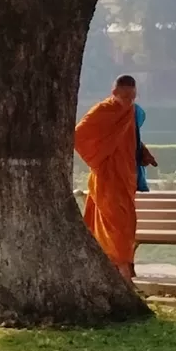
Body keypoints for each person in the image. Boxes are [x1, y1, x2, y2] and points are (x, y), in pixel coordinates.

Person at [74, 75, 157, 280]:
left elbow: (131, 139)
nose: (129, 100)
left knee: (126, 226)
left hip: (126, 177)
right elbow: (79, 135)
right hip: (106, 178)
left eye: (133, 96)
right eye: (125, 96)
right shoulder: (103, 112)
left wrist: (143, 153)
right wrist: (100, 158)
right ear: (114, 93)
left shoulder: (133, 112)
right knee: (116, 227)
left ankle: (119, 269)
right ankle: (123, 273)